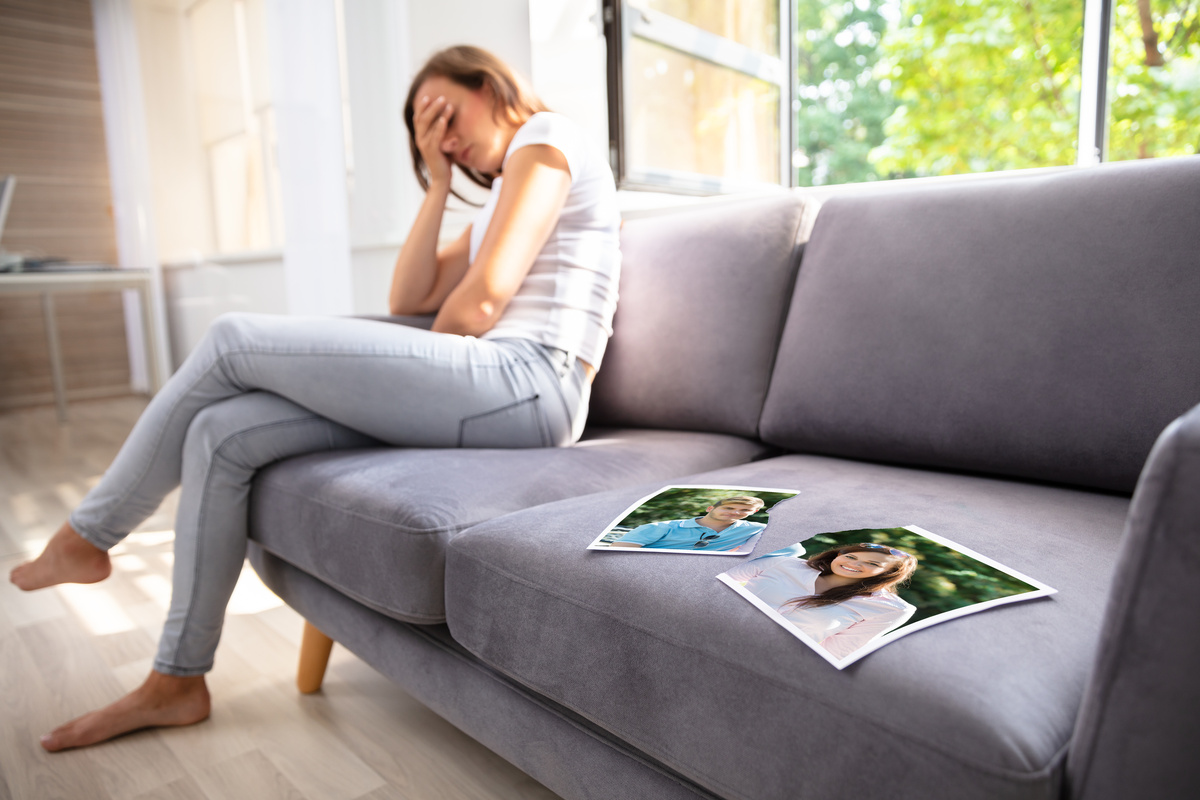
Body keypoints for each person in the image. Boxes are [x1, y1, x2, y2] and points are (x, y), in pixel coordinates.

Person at [8, 45, 620, 751]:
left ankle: (90, 534)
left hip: (531, 383)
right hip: (495, 383)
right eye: (426, 135)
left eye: (446, 116)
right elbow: (411, 296)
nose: (445, 139)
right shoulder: (495, 197)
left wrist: (425, 361)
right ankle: (176, 681)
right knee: (222, 431)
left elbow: (481, 301)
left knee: (234, 340)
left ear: (490, 85)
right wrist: (436, 182)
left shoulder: (547, 139)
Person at [725, 543, 918, 659]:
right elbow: (717, 582)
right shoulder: (784, 563)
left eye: (873, 564)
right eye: (850, 556)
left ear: (890, 573)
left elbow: (833, 653)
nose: (854, 564)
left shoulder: (890, 609)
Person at [609, 495, 766, 551]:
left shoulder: (756, 529)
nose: (736, 512)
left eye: (744, 510)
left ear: (754, 513)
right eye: (729, 507)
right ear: (710, 508)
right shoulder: (660, 528)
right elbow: (616, 554)